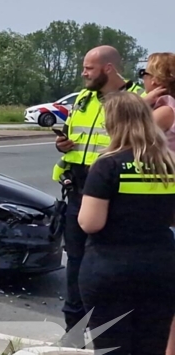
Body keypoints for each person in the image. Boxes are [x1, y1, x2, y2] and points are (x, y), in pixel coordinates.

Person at [66, 91, 175, 355]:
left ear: (115, 124)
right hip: (161, 268)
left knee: (109, 350)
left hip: (111, 267)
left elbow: (91, 222)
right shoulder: (168, 164)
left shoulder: (109, 164)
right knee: (152, 354)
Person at [52, 46, 144, 338]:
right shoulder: (83, 98)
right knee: (76, 262)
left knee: (111, 265)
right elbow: (73, 136)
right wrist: (62, 145)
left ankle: (111, 332)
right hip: (78, 190)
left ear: (107, 68)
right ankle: (74, 331)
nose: (83, 73)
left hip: (115, 195)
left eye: (89, 68)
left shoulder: (138, 100)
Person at [138, 52, 175, 355]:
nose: (143, 80)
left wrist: (144, 102)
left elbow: (129, 135)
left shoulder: (165, 110)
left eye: (145, 74)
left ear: (158, 81)